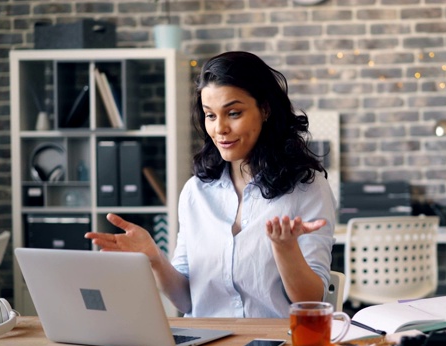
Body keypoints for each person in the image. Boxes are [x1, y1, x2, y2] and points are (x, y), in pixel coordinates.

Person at [84, 51, 336, 318]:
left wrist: (286, 250)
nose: (220, 129)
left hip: (277, 343)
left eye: (233, 113)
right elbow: (186, 301)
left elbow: (312, 301)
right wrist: (155, 260)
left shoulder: (307, 188)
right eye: (210, 116)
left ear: (265, 109)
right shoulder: (196, 191)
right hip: (207, 344)